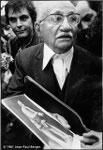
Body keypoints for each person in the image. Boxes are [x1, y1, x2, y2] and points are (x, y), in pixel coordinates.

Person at [2, 1, 102, 149]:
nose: (67, 26)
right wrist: (45, 120)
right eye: (56, 18)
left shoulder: (93, 63)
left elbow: (99, 108)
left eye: (73, 19)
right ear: (39, 28)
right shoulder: (25, 58)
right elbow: (12, 100)